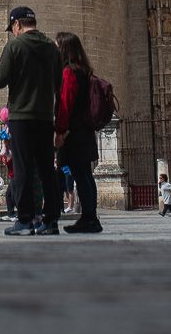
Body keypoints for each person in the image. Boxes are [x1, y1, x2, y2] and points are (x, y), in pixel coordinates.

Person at [0, 5, 64, 236]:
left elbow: (0, 81)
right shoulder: (52, 49)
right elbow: (59, 84)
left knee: (22, 168)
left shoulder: (14, 46)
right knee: (46, 168)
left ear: (17, 25)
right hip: (44, 117)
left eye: (12, 28)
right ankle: (51, 220)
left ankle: (24, 220)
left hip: (22, 117)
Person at [53, 31, 101, 234]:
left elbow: (65, 104)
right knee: (86, 175)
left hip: (74, 134)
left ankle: (88, 218)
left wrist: (60, 131)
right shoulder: (84, 70)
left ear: (64, 48)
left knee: (80, 175)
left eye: (57, 46)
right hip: (84, 131)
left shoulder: (69, 72)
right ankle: (90, 217)